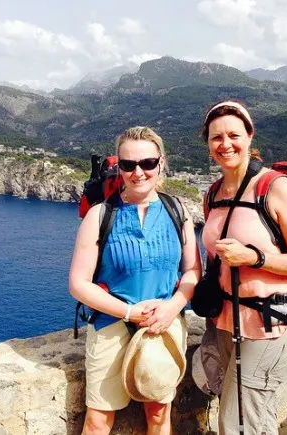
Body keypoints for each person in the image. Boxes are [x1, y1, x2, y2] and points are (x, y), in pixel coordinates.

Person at [69, 126, 201, 435]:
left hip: (163, 323)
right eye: (128, 165)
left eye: (147, 163)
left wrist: (173, 307)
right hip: (111, 325)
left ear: (161, 163)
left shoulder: (177, 210)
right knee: (98, 420)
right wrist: (128, 313)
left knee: (158, 413)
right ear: (119, 168)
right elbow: (78, 283)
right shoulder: (100, 215)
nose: (138, 172)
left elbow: (194, 271)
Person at [200, 101, 287, 435]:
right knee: (256, 421)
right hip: (225, 322)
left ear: (250, 137)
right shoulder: (212, 194)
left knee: (235, 424)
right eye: (216, 137)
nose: (225, 144)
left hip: (268, 327)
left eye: (234, 135)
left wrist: (255, 258)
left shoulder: (275, 187)